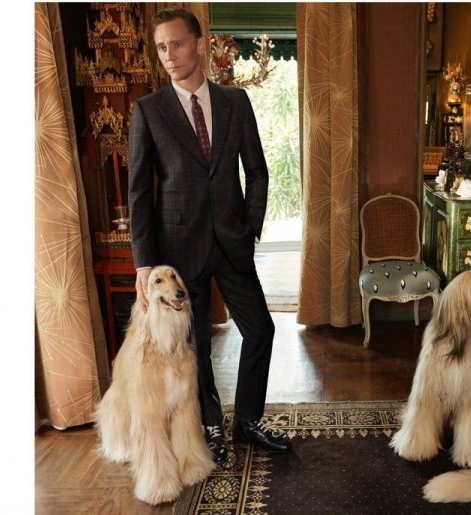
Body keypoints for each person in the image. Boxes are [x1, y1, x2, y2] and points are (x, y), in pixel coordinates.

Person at [128, 7, 291, 464]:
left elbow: (257, 172)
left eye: (177, 44)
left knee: (260, 330)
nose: (169, 55)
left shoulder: (235, 102)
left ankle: (248, 421)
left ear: (199, 44)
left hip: (232, 242)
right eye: (162, 47)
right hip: (179, 251)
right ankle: (210, 426)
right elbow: (139, 192)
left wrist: (249, 226)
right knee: (196, 347)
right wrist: (145, 264)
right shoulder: (148, 111)